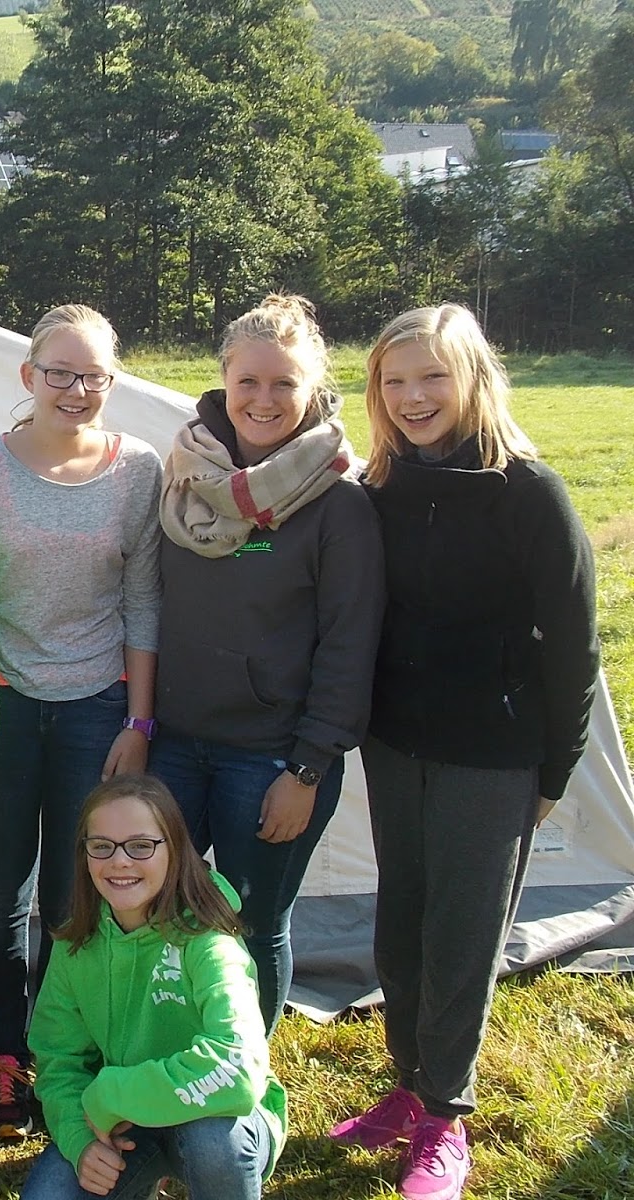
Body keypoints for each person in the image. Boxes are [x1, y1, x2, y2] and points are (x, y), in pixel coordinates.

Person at [329, 304, 599, 1200]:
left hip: (493, 753)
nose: (413, 397)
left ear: (474, 378)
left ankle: (445, 1117)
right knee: (401, 924)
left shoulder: (529, 493)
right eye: (395, 380)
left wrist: (554, 770)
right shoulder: (377, 489)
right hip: (395, 745)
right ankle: (408, 1088)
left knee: (462, 935)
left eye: (432, 377)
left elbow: (574, 646)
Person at [0, 305, 162, 1138]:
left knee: (82, 892)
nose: (75, 389)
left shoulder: (139, 470)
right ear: (28, 376)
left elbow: (143, 600)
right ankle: (6, 1056)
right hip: (0, 709)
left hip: (98, 709)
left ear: (113, 380)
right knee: (2, 894)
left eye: (93, 375)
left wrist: (139, 721)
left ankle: (70, 1053)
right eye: (59, 373)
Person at [150, 293, 384, 1032]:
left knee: (253, 921)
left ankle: (242, 1074)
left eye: (284, 383)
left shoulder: (340, 503)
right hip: (174, 744)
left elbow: (350, 646)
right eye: (248, 381)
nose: (264, 399)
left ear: (313, 387)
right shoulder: (184, 475)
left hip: (273, 759)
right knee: (157, 909)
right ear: (223, 379)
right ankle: (172, 1048)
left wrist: (307, 769)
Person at [21, 774, 287, 1200]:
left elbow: (238, 1067)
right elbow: (58, 1061)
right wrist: (80, 1139)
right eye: (102, 846)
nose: (120, 861)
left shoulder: (208, 939)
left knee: (214, 1143)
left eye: (141, 846)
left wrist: (113, 1093)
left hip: (211, 1112)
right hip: (128, 1124)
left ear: (174, 849)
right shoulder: (76, 945)